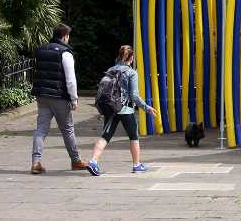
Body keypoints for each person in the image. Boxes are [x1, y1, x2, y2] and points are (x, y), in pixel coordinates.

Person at [86, 45, 157, 176]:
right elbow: (134, 95)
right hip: (125, 109)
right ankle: (136, 165)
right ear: (131, 58)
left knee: (105, 136)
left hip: (111, 108)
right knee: (133, 137)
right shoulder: (131, 72)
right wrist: (146, 107)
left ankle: (93, 161)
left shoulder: (110, 70)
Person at [30, 24, 89, 174]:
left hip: (42, 95)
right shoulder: (65, 53)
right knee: (67, 129)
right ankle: (76, 161)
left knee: (41, 129)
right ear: (64, 37)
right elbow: (70, 79)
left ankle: (35, 162)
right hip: (59, 96)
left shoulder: (40, 50)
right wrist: (74, 99)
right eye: (68, 36)